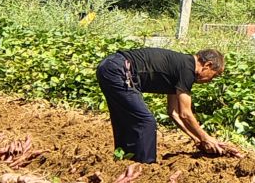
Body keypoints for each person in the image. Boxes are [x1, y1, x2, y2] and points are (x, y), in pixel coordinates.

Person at [95, 46, 236, 162]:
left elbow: (174, 113)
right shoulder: (188, 69)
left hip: (110, 67)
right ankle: (145, 166)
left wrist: (197, 139)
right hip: (119, 69)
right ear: (208, 65)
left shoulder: (181, 67)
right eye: (214, 75)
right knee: (146, 122)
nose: (210, 80)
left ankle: (124, 160)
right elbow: (185, 114)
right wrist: (206, 137)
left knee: (125, 119)